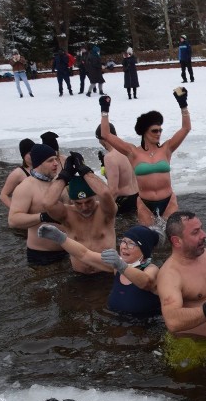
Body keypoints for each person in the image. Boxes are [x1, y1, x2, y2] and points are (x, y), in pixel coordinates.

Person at [97, 89, 191, 226]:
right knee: (148, 239)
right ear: (144, 132)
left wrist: (183, 105)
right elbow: (105, 134)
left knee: (174, 238)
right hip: (145, 203)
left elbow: (186, 128)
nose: (158, 133)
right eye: (154, 130)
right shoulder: (133, 152)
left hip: (168, 200)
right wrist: (104, 110)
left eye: (160, 130)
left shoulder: (167, 149)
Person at [38, 224, 162, 317]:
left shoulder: (152, 269)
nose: (124, 246)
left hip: (143, 326)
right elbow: (84, 254)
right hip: (116, 321)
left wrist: (121, 265)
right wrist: (60, 238)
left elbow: (146, 282)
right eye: (123, 241)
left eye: (131, 243)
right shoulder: (117, 264)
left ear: (144, 251)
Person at [42, 152, 117, 274]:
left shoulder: (105, 212)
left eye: (88, 201)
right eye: (78, 203)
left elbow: (105, 193)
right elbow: (47, 203)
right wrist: (64, 176)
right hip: (80, 276)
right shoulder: (67, 214)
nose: (84, 207)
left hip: (107, 273)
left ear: (95, 197)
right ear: (72, 201)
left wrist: (85, 171)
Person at [8, 144, 68, 265]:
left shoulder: (58, 182)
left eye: (55, 159)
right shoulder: (26, 187)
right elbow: (13, 220)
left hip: (68, 249)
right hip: (42, 254)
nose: (56, 163)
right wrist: (42, 217)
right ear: (39, 163)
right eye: (50, 160)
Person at [95, 123, 139, 215]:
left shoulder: (110, 157)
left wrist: (102, 212)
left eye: (99, 139)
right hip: (138, 196)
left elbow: (114, 190)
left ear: (102, 138)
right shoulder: (131, 148)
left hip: (124, 201)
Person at [0, 138, 35, 208]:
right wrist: (15, 210)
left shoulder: (41, 168)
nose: (33, 155)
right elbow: (3, 195)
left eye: (35, 152)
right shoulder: (18, 173)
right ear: (23, 156)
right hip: (26, 212)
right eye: (30, 153)